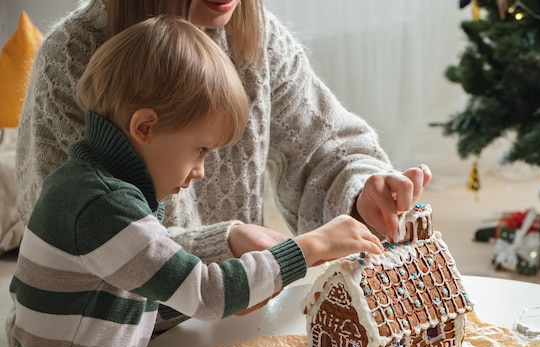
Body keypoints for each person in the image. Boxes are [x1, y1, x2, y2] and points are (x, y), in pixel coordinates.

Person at [0, 16, 384, 347]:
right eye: (199, 150)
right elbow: (207, 293)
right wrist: (308, 248)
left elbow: (139, 294)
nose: (201, 170)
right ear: (145, 126)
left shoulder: (102, 186)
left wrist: (241, 281)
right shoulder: (100, 206)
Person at [16, 0, 431, 321]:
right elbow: (78, 240)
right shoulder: (72, 56)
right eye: (200, 150)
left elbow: (326, 148)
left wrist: (361, 191)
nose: (201, 173)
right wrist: (231, 244)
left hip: (231, 316)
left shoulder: (258, 36)